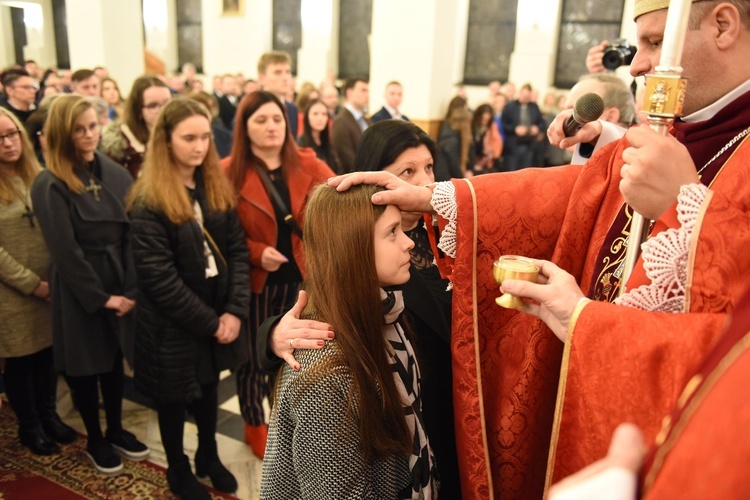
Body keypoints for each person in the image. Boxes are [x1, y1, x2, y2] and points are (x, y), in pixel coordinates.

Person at [328, 0, 750, 497]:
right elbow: (567, 197)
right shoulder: (663, 134)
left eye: (655, 43)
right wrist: (436, 198)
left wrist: (687, 208)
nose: (637, 65)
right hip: (592, 401)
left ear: (723, 26)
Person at [262, 119, 463, 497]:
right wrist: (272, 334)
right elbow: (325, 308)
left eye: (429, 168)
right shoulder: (329, 379)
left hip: (431, 446)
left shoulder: (396, 294)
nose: (422, 182)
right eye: (407, 171)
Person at [127, 98, 249, 499]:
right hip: (171, 324)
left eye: (205, 138)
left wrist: (233, 310)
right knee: (174, 398)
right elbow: (160, 280)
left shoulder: (214, 185)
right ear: (166, 141)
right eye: (189, 138)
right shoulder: (149, 200)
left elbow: (236, 251)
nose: (199, 147)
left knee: (209, 386)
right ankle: (178, 467)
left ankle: (208, 457)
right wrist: (213, 323)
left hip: (215, 310)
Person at [30, 94, 149, 475]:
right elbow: (64, 252)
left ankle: (115, 429)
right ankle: (95, 438)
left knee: (114, 359)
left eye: (92, 127)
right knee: (85, 366)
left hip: (120, 275)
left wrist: (130, 288)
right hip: (83, 287)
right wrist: (102, 298)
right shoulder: (49, 183)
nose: (88, 136)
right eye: (78, 130)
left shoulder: (113, 172)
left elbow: (132, 233)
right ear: (63, 134)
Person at [223, 90, 334, 459]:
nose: (271, 127)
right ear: (244, 127)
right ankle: (255, 424)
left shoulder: (307, 162)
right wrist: (256, 252)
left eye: (276, 119)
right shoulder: (228, 173)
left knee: (297, 356)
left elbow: (340, 200)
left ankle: (289, 423)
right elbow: (220, 231)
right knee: (255, 360)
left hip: (304, 279)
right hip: (258, 281)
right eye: (260, 120)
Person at [0, 108, 78, 456]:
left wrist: (54, 280)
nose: (8, 143)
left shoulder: (37, 175)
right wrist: (33, 284)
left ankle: (50, 416)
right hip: (13, 294)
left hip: (50, 285)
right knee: (21, 362)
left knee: (47, 355)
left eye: (12, 134)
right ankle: (30, 426)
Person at [100, 75, 171, 178]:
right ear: (138, 109)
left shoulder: (177, 134)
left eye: (167, 104)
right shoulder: (121, 145)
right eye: (153, 106)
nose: (162, 111)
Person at [501, 82, 546, 171]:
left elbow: (542, 123)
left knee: (526, 172)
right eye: (524, 95)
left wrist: (537, 128)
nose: (525, 98)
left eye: (528, 96)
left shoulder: (534, 107)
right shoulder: (509, 106)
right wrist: (515, 129)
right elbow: (504, 124)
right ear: (519, 93)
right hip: (513, 146)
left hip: (529, 145)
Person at [331, 77, 370, 173]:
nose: (367, 95)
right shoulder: (341, 121)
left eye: (368, 91)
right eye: (363, 90)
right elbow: (347, 159)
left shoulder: (367, 120)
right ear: (349, 93)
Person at [257, 51, 298, 137]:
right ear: (262, 78)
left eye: (288, 72)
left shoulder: (292, 109)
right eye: (277, 72)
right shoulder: (251, 109)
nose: (285, 78)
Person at [188, 90, 234, 159]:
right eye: (201, 110)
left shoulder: (223, 135)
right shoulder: (184, 134)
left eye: (210, 109)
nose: (207, 113)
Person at [436, 96, 472, 180]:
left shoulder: (451, 133)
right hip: (446, 181)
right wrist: (465, 179)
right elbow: (454, 166)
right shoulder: (451, 139)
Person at [297, 98, 337, 170]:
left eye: (324, 114)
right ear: (307, 117)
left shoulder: (328, 142)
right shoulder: (300, 144)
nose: (320, 118)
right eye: (315, 114)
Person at [470, 103, 503, 175]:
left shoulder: (492, 127)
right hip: (472, 162)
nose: (484, 122)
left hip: (486, 162)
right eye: (483, 119)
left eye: (487, 120)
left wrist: (491, 153)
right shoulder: (471, 127)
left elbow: (498, 143)